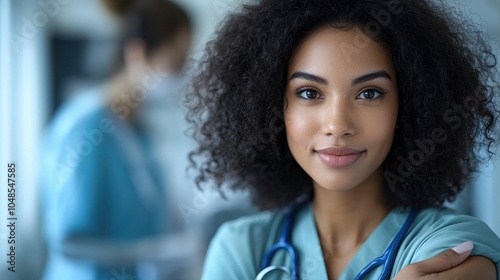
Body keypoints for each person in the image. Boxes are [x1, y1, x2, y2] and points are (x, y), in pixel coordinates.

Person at [186, 0, 500, 279]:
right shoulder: (240, 248)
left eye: (369, 93)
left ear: (411, 106)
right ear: (270, 106)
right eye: (309, 93)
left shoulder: (453, 245)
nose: (338, 125)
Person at [40, 0, 193, 279]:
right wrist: (158, 253)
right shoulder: (85, 128)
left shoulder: (139, 132)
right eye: (175, 62)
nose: (180, 77)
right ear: (138, 53)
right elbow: (67, 242)